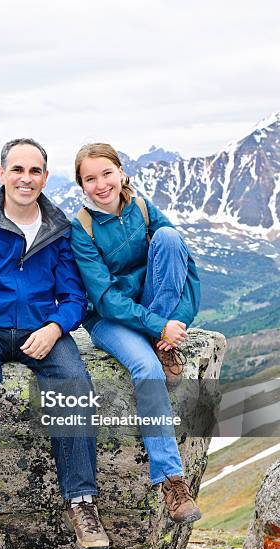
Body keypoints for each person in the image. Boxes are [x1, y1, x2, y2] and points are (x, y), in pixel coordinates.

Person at [0, 138, 110, 549]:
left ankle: (82, 502)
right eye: (17, 170)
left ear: (45, 178)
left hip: (40, 329)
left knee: (73, 383)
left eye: (34, 172)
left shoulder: (59, 228)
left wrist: (55, 327)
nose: (25, 179)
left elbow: (73, 297)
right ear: (1, 174)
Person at [70, 143, 202, 524]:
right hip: (110, 320)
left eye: (106, 174)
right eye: (90, 179)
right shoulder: (82, 229)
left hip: (150, 309)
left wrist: (177, 321)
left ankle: (160, 344)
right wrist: (159, 327)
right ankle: (172, 481)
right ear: (81, 185)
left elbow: (185, 268)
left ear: (121, 172)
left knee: (171, 239)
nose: (101, 184)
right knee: (147, 370)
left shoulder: (142, 207)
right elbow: (107, 300)